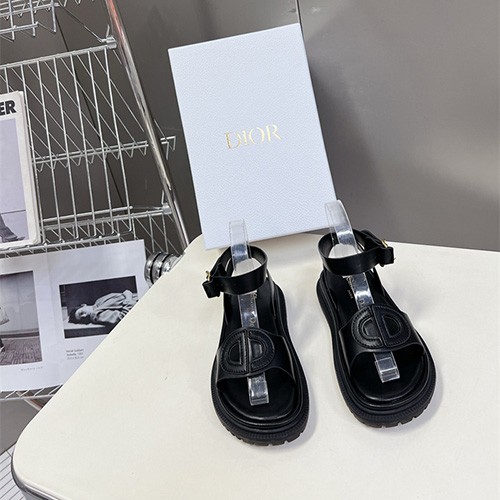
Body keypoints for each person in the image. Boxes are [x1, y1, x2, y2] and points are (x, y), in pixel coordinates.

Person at [68, 290, 138, 327]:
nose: (85, 316)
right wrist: (128, 297)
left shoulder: (98, 301)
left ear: (83, 305)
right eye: (83, 319)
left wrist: (127, 294)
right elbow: (123, 317)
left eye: (81, 313)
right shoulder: (96, 315)